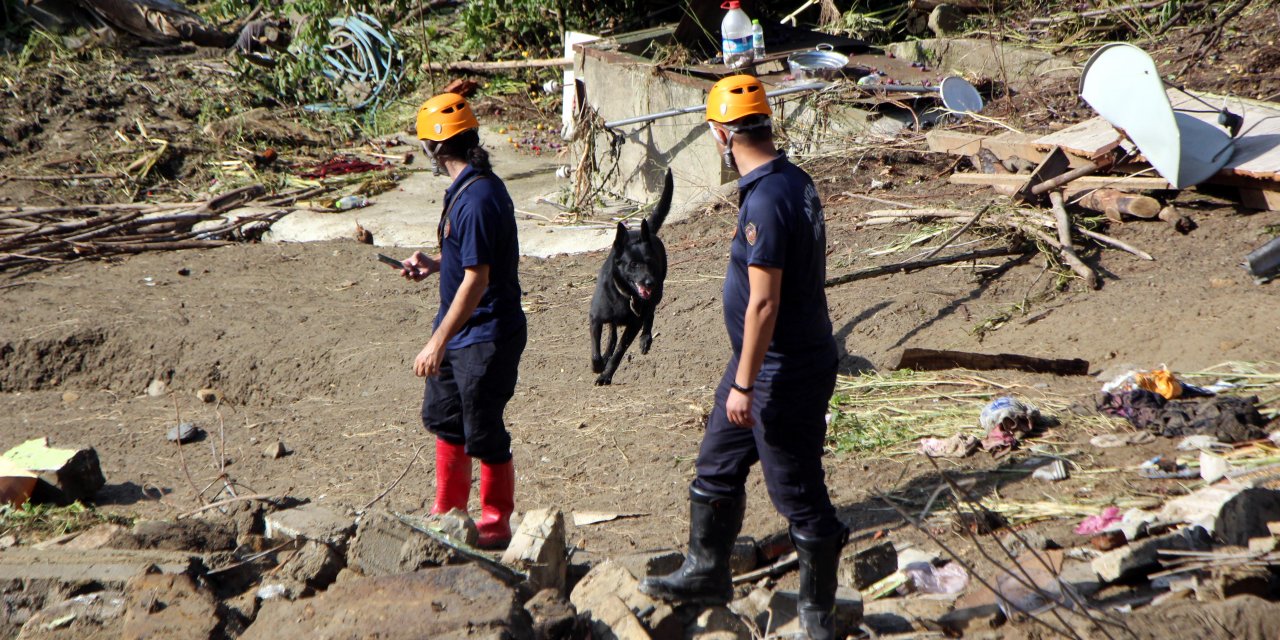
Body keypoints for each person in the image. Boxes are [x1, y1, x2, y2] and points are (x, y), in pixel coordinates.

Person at [639, 75, 847, 639]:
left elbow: (763, 303)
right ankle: (707, 572)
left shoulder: (769, 200)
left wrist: (745, 384)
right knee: (717, 463)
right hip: (763, 363)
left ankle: (817, 613)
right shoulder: (787, 179)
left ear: (719, 134)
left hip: (782, 368)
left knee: (796, 490)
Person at [398, 92, 527, 550]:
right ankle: (448, 512)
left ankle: (495, 522)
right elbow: (471, 257)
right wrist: (434, 263)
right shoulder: (469, 188)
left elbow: (477, 280)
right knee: (446, 419)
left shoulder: (476, 199)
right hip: (462, 332)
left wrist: (436, 342)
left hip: (485, 335)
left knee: (483, 428)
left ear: (435, 149)